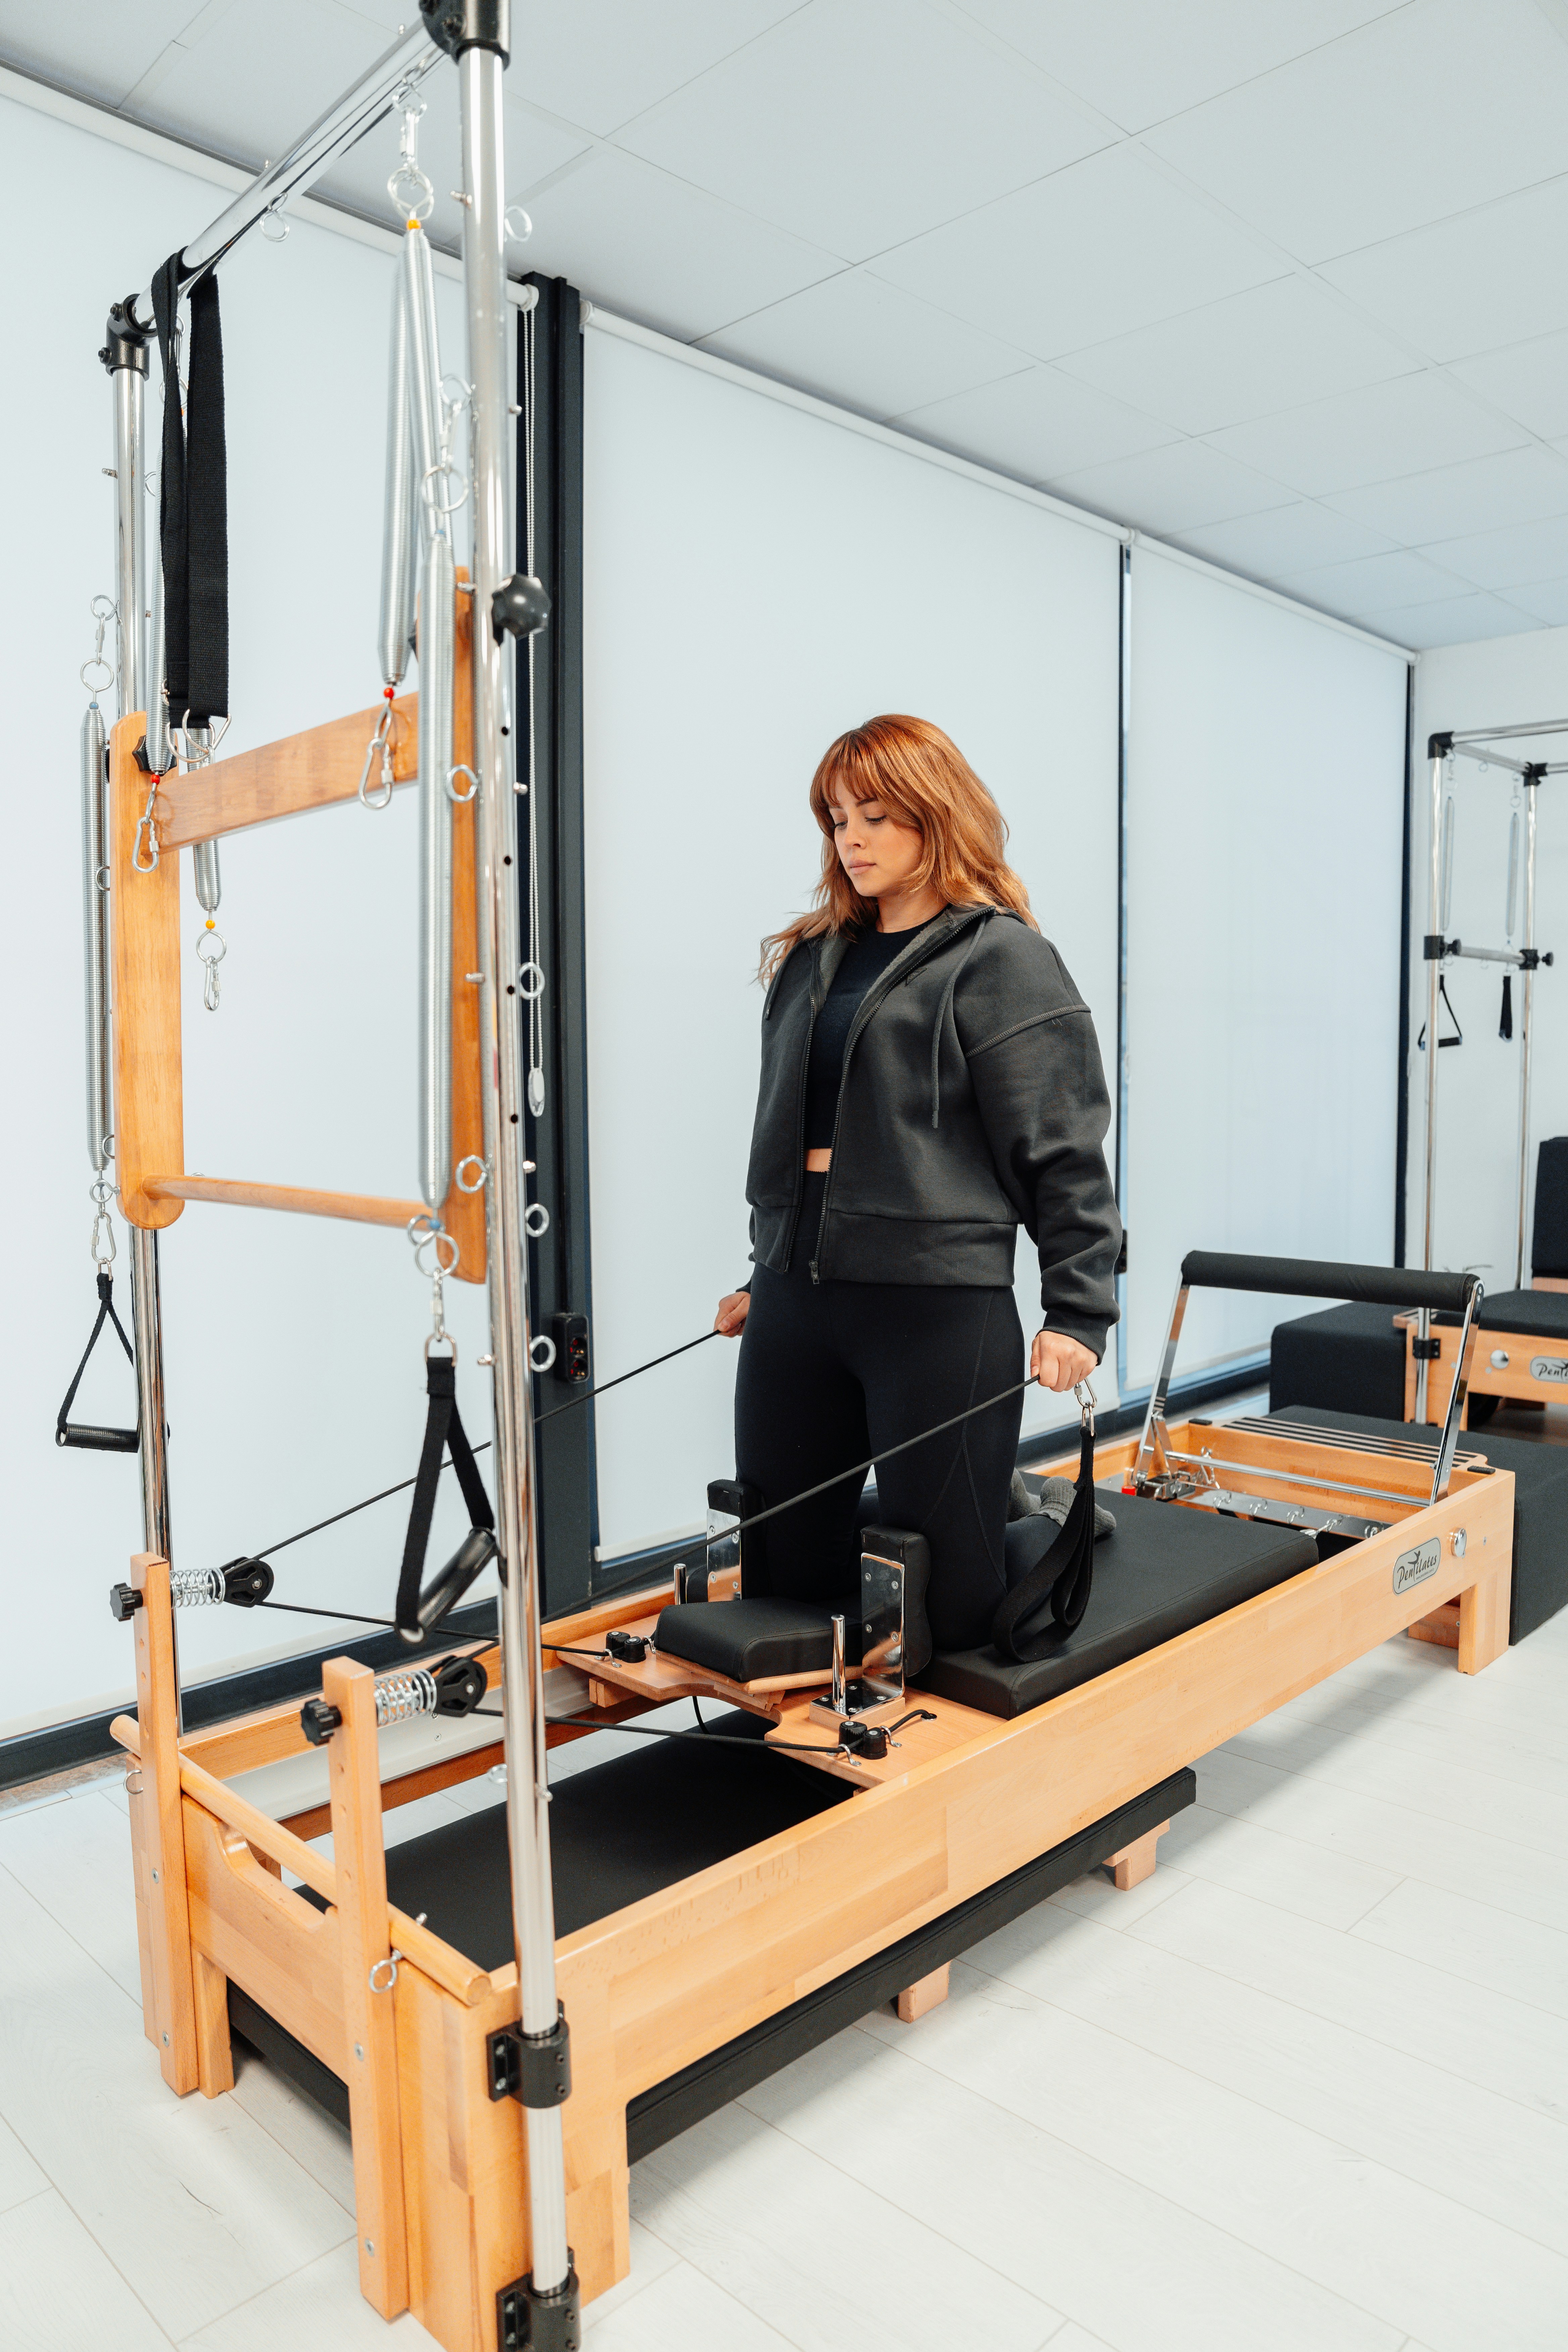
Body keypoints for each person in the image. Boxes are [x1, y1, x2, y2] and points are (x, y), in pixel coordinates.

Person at [713, 714, 1121, 1662]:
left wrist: (1078, 1310)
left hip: (935, 1307)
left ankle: (1048, 1519)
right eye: (836, 819)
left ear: (937, 818)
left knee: (960, 1597)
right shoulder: (812, 957)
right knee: (783, 1562)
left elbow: (1062, 1147)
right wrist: (761, 1266)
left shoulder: (1000, 958)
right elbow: (800, 1128)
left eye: (875, 817)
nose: (849, 840)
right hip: (796, 1296)